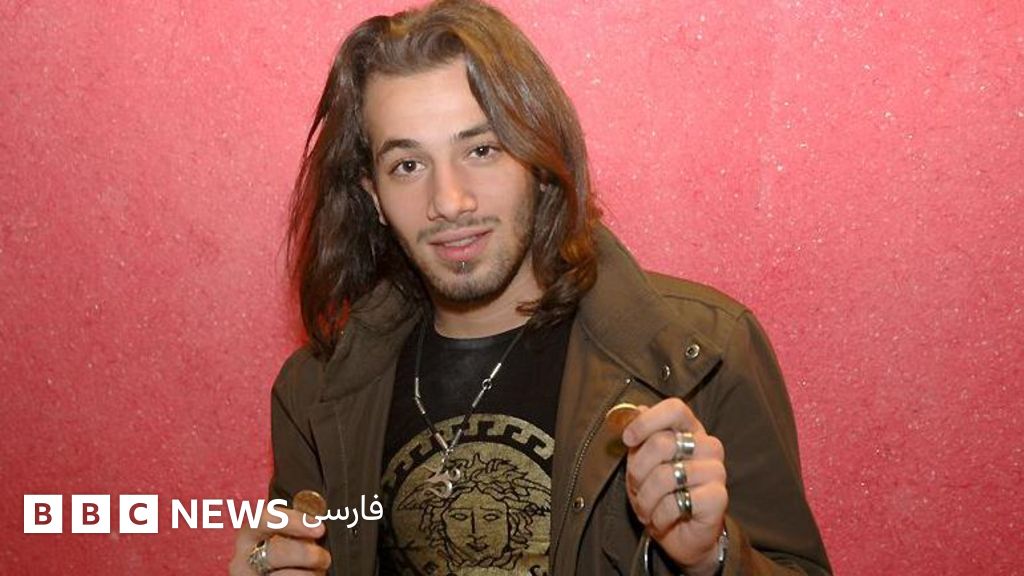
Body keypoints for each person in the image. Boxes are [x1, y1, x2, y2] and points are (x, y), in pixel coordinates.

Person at [229, 1, 832, 574]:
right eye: (408, 165)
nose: (449, 201)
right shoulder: (316, 392)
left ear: (538, 164)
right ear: (375, 198)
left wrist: (710, 559)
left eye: (482, 150)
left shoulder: (701, 352)